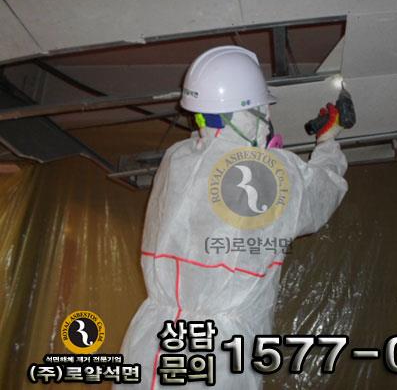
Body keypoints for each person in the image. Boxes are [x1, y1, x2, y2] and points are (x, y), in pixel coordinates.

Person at [118, 46, 349, 389]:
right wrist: (328, 142)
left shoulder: (176, 159)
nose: (267, 117)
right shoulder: (267, 171)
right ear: (249, 111)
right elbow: (320, 195)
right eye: (262, 110)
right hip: (218, 354)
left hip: (150, 341)